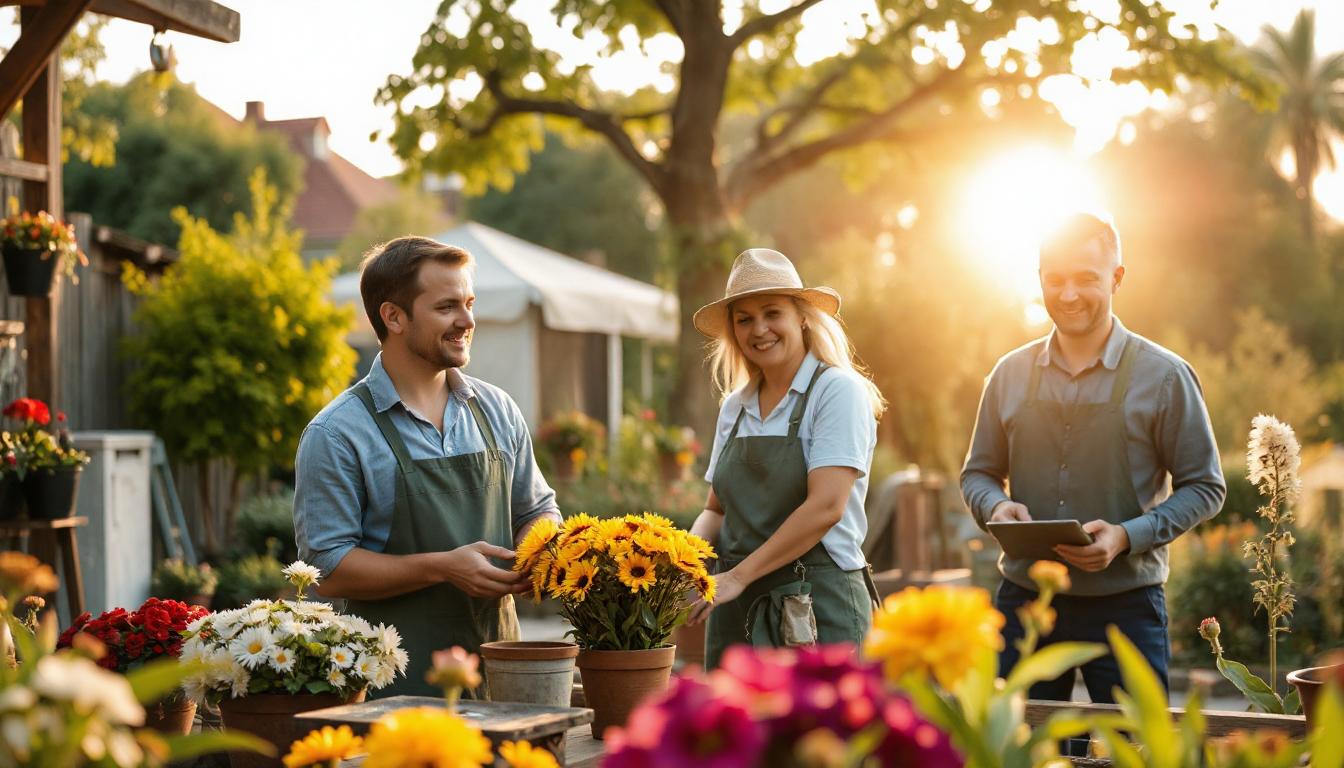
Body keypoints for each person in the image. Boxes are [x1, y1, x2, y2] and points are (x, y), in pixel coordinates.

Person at [961, 212, 1226, 710]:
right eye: (1055, 279)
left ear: (1117, 277)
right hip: (1027, 601)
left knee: (1133, 743)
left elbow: (1205, 486)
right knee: (1019, 742)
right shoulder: (1007, 375)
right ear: (1039, 279)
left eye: (1086, 278)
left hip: (1127, 607)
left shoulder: (1166, 376)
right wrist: (995, 506)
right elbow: (978, 473)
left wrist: (1127, 536)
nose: (1068, 294)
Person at [293, 236, 561, 697]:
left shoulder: (497, 410)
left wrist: (533, 553)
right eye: (446, 307)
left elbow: (538, 509)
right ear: (394, 317)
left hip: (501, 681)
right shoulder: (337, 433)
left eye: (469, 303)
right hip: (389, 692)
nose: (468, 321)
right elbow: (328, 568)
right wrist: (443, 567)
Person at [684, 248, 885, 669]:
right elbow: (715, 511)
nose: (759, 329)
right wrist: (684, 562)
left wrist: (737, 577)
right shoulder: (735, 406)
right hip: (735, 611)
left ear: (802, 317)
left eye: (772, 313)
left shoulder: (836, 391)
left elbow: (826, 507)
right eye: (744, 319)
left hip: (815, 607)